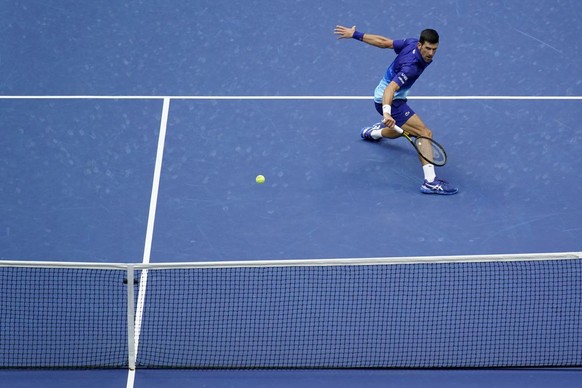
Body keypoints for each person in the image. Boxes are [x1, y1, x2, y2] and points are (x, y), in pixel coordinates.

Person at [334, 25, 458, 195]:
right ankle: (430, 182)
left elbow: (385, 42)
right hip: (391, 101)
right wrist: (386, 112)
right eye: (428, 49)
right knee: (424, 133)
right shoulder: (411, 67)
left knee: (403, 130)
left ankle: (373, 133)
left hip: (388, 98)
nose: (430, 53)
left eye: (434, 49)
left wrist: (355, 34)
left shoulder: (411, 43)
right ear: (420, 46)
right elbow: (390, 89)